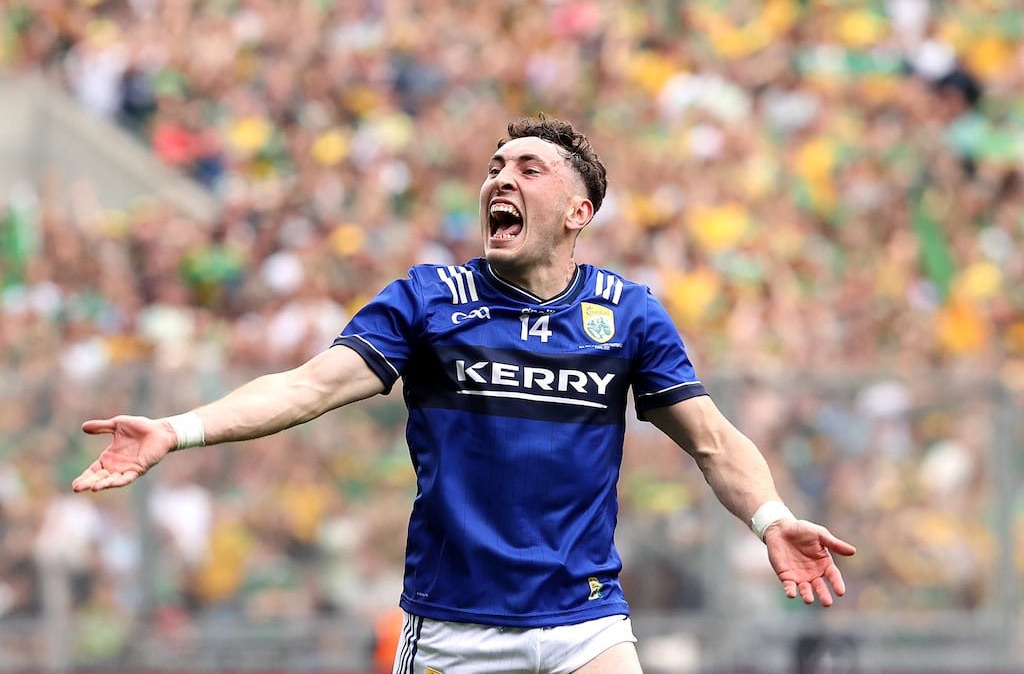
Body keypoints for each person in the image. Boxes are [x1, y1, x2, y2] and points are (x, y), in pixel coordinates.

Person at [73, 114, 856, 674]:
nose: (500, 179)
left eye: (528, 169)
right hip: (454, 630)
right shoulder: (429, 296)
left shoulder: (628, 312)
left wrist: (772, 518)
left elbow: (712, 440)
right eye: (495, 166)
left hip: (585, 624)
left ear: (578, 212)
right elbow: (309, 386)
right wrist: (178, 428)